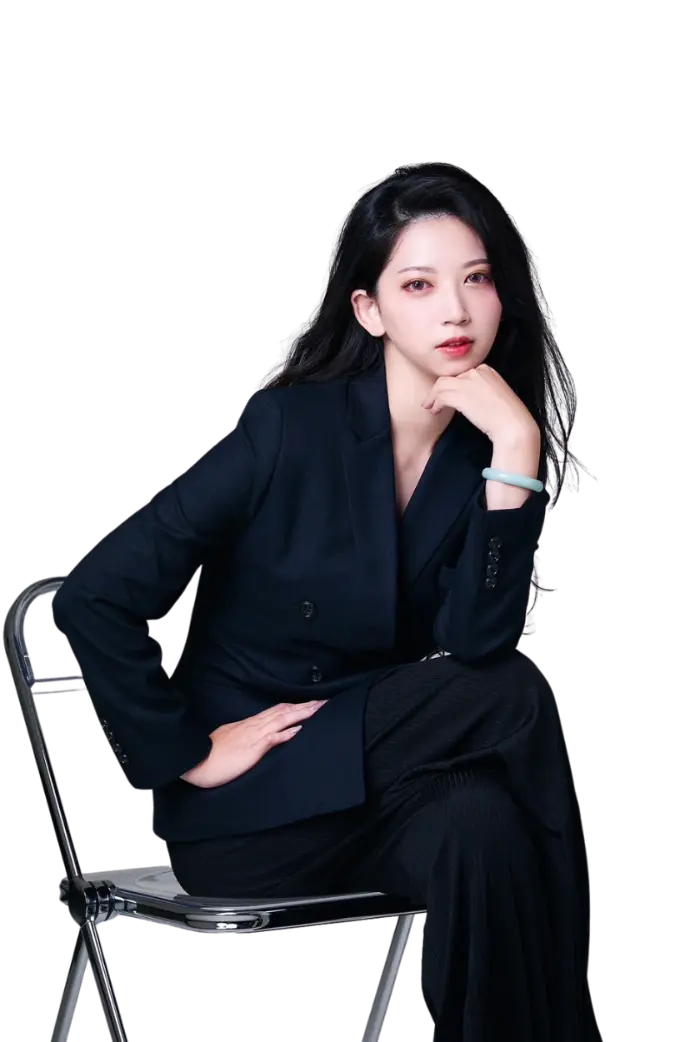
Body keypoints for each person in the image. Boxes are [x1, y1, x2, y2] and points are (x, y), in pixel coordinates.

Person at [50, 162, 598, 1040]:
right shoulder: (288, 432)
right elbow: (95, 596)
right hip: (249, 810)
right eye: (418, 285)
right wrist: (186, 753)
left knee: (484, 822)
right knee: (517, 698)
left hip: (372, 788)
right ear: (370, 311)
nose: (455, 311)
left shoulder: (480, 456)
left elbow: (476, 642)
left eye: (477, 278)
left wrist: (516, 449)